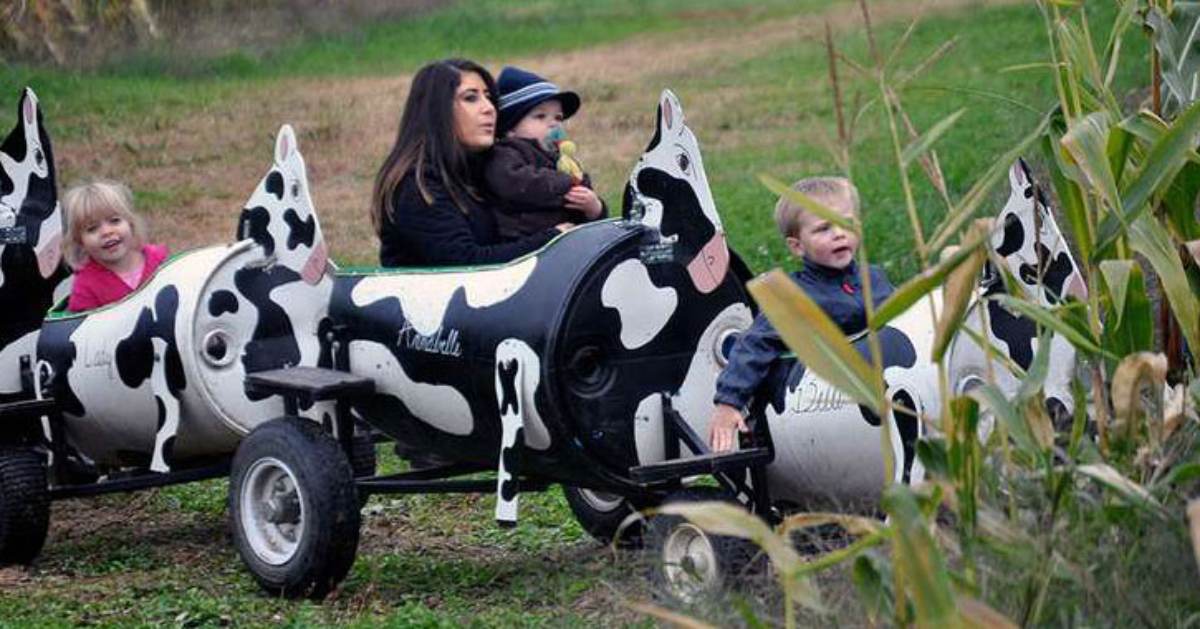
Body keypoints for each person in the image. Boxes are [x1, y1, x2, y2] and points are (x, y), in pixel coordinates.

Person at [708, 177, 894, 452]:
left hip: (889, 394)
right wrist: (728, 402)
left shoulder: (874, 279)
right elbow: (753, 345)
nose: (839, 234)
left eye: (846, 223)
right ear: (797, 246)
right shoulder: (793, 297)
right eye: (823, 228)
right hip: (828, 412)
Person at [372, 58, 568, 267]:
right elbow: (465, 263)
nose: (489, 108)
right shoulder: (416, 184)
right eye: (471, 98)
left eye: (489, 97)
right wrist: (553, 239)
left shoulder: (486, 169)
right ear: (438, 110)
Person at [484, 66, 605, 240]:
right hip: (524, 242)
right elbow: (518, 182)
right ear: (510, 127)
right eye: (540, 116)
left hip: (565, 239)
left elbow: (579, 188)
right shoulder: (505, 152)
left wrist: (593, 208)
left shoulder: (560, 158)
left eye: (558, 118)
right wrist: (569, 183)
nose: (553, 124)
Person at [64, 180, 169, 312]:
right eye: (92, 229)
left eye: (115, 221)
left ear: (130, 223)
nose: (107, 232)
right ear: (80, 240)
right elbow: (82, 330)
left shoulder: (160, 260)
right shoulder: (85, 288)